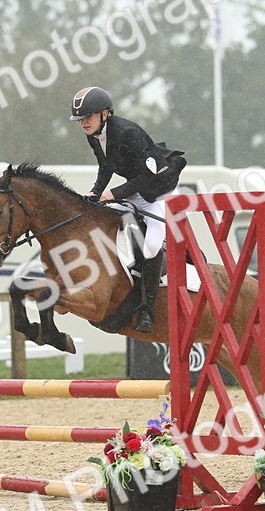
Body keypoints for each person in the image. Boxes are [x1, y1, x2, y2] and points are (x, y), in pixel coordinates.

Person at [70, 86, 186, 334]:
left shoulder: (128, 133)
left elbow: (147, 175)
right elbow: (106, 167)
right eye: (80, 119)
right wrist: (95, 191)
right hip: (133, 189)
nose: (83, 123)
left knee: (152, 245)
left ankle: (146, 308)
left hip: (158, 191)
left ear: (105, 114)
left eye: (88, 116)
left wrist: (113, 194)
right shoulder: (94, 135)